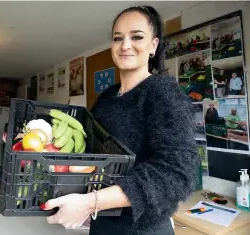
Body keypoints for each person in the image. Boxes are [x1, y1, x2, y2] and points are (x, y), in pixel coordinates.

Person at [40, 6, 200, 235]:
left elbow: (177, 174)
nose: (125, 45)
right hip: (102, 223)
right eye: (118, 38)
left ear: (153, 45)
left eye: (136, 36)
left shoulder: (162, 93)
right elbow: (91, 156)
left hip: (142, 229)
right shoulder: (106, 98)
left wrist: (90, 202)